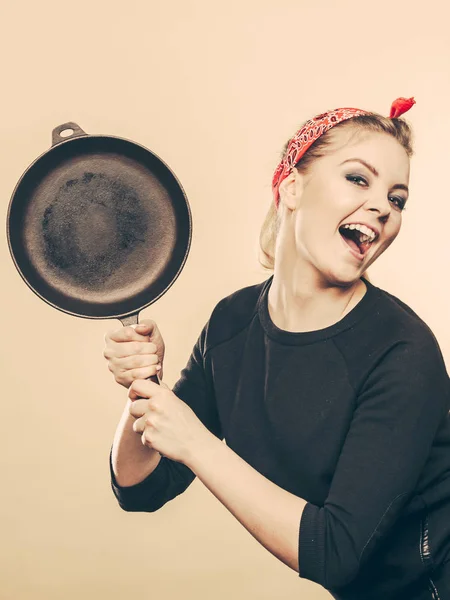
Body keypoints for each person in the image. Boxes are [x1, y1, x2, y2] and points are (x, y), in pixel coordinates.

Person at [104, 97, 450, 600]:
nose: (382, 207)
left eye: (397, 199)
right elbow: (141, 487)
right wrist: (143, 386)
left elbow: (336, 553)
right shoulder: (232, 325)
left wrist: (195, 441)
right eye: (359, 178)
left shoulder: (403, 353)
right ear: (291, 186)